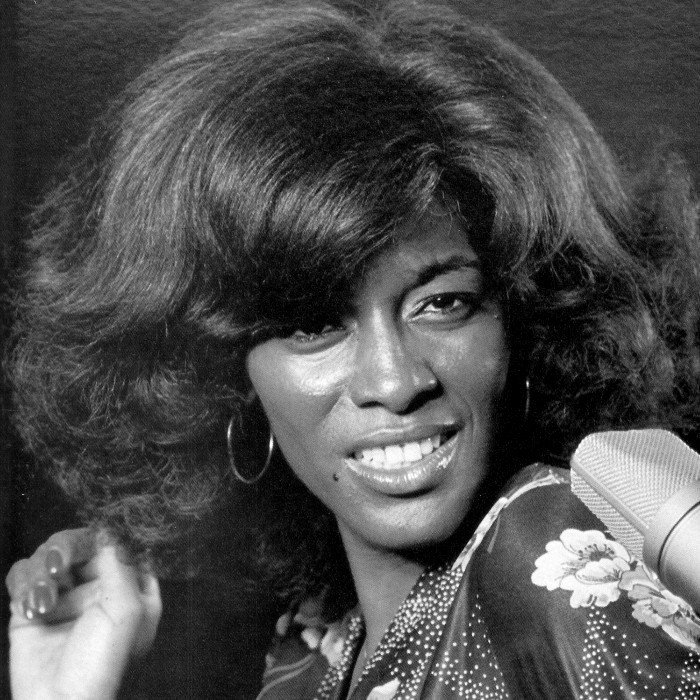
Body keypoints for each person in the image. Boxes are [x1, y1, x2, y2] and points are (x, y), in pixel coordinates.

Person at [5, 0, 700, 697]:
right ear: (227, 377)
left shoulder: (549, 562)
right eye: (314, 324)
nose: (395, 382)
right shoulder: (313, 652)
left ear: (521, 317)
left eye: (443, 303)